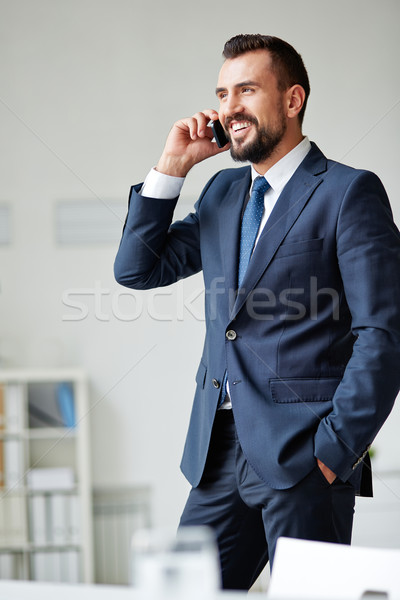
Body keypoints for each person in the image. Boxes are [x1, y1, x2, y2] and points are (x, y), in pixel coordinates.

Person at [114, 34, 400, 590]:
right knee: (182, 593)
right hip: (216, 454)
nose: (229, 107)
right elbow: (137, 269)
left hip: (304, 458)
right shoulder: (221, 193)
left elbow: (383, 334)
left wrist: (334, 451)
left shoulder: (348, 192)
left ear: (292, 100)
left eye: (246, 89)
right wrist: (172, 167)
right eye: (222, 93)